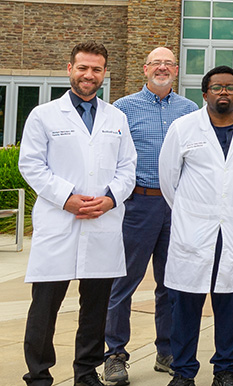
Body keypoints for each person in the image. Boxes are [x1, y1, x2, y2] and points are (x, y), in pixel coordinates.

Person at [19, 41, 136, 386]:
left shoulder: (116, 118)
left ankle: (86, 373)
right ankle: (38, 375)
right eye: (83, 68)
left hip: (102, 222)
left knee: (95, 311)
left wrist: (110, 199)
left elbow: (128, 167)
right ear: (70, 69)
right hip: (59, 220)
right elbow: (31, 164)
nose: (89, 75)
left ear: (104, 73)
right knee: (44, 308)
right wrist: (66, 198)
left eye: (96, 69)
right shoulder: (44, 115)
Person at [159, 65, 233, 386]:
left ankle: (224, 371)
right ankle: (183, 373)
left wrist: (232, 209)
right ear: (205, 93)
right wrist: (193, 213)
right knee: (185, 307)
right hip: (192, 233)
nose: (224, 92)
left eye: (231, 87)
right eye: (217, 87)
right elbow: (169, 181)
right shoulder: (183, 128)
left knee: (231, 306)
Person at [103, 46, 198, 385]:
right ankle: (114, 354)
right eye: (156, 63)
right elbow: (110, 155)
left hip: (177, 207)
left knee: (171, 283)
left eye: (168, 63)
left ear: (176, 70)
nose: (162, 68)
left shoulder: (190, 110)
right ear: (145, 69)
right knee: (123, 281)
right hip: (138, 205)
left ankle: (167, 351)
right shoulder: (123, 108)